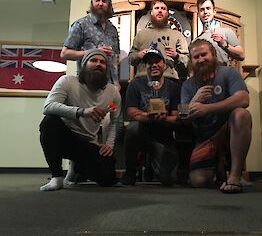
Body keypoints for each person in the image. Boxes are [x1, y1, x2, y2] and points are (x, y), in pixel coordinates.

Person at [39, 48, 121, 191]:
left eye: (102, 62)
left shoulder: (112, 91)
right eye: (93, 60)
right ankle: (57, 177)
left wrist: (109, 144)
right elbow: (48, 106)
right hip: (65, 138)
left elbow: (114, 121)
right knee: (49, 122)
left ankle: (77, 167)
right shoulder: (67, 81)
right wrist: (81, 112)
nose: (98, 64)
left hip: (88, 142)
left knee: (108, 179)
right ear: (84, 64)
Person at [181, 39, 251, 193]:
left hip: (229, 131)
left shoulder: (229, 73)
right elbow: (183, 118)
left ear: (213, 54)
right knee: (199, 180)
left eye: (204, 55)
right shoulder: (187, 85)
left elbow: (243, 99)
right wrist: (194, 101)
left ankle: (234, 176)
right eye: (196, 57)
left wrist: (207, 109)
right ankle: (219, 167)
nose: (201, 60)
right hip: (205, 137)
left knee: (241, 114)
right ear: (191, 61)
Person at [121, 47, 181, 186]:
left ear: (164, 65)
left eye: (157, 62)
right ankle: (131, 171)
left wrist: (164, 117)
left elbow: (176, 118)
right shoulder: (135, 84)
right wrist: (149, 116)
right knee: (133, 128)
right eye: (149, 63)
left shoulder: (173, 87)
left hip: (163, 135)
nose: (154, 65)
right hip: (142, 132)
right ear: (145, 66)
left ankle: (149, 163)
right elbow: (131, 112)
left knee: (169, 179)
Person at [61, 0, 120, 89]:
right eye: (97, 0)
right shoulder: (81, 25)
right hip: (87, 85)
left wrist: (116, 83)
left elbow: (115, 57)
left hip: (109, 86)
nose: (100, 4)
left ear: (108, 5)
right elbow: (65, 53)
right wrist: (93, 52)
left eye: (104, 1)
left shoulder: (113, 29)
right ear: (92, 3)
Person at [128, 0, 189, 83]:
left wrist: (176, 56)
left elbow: (187, 61)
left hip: (170, 80)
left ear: (167, 13)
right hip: (143, 80)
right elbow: (131, 59)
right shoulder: (141, 35)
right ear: (151, 13)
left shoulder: (178, 35)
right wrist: (138, 55)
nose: (160, 11)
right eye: (157, 8)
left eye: (163, 8)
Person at [196, 0, 245, 66]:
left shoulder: (226, 32)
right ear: (198, 14)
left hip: (222, 75)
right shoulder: (196, 41)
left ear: (214, 11)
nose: (205, 12)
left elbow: (241, 55)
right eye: (202, 9)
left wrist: (224, 45)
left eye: (208, 8)